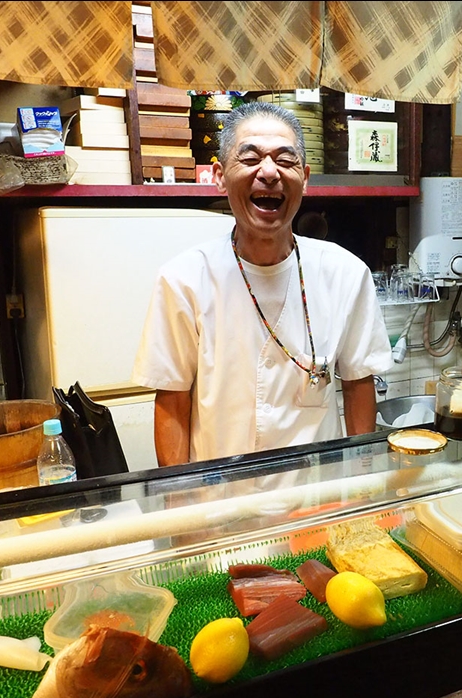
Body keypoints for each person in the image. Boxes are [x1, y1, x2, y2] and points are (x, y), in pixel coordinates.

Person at [133, 101, 393, 466]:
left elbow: (358, 384)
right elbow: (173, 400)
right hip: (220, 502)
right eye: (250, 158)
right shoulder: (184, 279)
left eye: (285, 161)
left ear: (305, 177)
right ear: (220, 175)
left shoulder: (345, 273)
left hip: (316, 499)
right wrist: (180, 500)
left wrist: (360, 481)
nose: (269, 172)